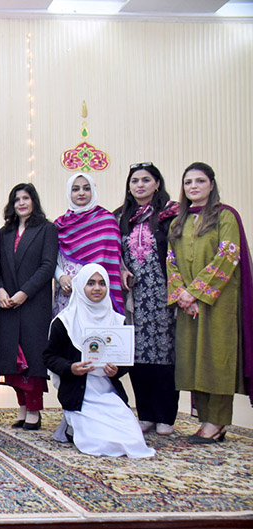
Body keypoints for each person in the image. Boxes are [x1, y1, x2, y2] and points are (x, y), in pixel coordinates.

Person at [167, 162, 253, 444]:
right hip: (187, 305)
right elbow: (171, 261)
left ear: (212, 184)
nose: (193, 186)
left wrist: (196, 292)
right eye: (188, 182)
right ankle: (205, 419)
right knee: (193, 360)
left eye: (200, 181)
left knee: (217, 359)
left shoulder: (225, 216)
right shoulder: (178, 221)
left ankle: (217, 421)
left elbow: (227, 256)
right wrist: (181, 294)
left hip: (217, 303)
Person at [43, 263, 155, 458]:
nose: (97, 288)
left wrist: (117, 370)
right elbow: (49, 357)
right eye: (91, 283)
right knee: (97, 442)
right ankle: (71, 427)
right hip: (79, 394)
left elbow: (126, 361)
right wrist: (71, 368)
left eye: (102, 283)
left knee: (132, 438)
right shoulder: (64, 321)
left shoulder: (118, 321)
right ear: (81, 286)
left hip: (108, 392)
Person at [115, 163, 179, 436]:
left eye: (145, 180)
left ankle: (165, 415)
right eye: (134, 181)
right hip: (135, 297)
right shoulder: (121, 216)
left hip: (163, 294)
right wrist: (121, 270)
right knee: (138, 354)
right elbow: (114, 251)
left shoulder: (171, 214)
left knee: (164, 355)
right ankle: (146, 413)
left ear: (157, 183)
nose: (139, 185)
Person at [0, 183, 58, 431]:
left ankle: (34, 410)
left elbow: (47, 265)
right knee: (13, 360)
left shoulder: (46, 229)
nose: (21, 203)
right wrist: (0, 290)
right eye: (16, 199)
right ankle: (22, 408)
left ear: (34, 201)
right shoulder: (4, 232)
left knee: (32, 360)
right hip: (7, 305)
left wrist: (24, 293)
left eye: (26, 198)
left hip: (33, 304)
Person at [54, 172, 123, 315]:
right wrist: (60, 277)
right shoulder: (60, 224)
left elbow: (113, 259)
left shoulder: (106, 220)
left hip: (97, 292)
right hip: (68, 290)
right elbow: (51, 258)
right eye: (75, 189)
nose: (81, 193)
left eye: (86, 188)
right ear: (68, 192)